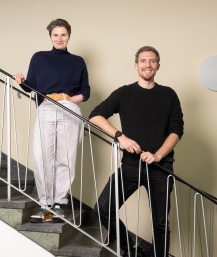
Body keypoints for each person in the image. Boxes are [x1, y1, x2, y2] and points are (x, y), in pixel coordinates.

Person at [88, 46, 184, 257]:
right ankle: (130, 248)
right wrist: (120, 137)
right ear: (136, 65)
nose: (147, 65)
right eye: (143, 61)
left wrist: (158, 155)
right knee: (103, 208)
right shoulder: (124, 93)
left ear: (158, 65)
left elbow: (177, 130)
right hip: (131, 166)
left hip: (161, 168)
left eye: (152, 61)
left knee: (160, 224)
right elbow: (95, 116)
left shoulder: (169, 94)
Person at [13, 18, 90, 223]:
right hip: (46, 107)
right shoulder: (39, 57)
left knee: (66, 158)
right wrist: (22, 81)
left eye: (63, 34)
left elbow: (86, 91)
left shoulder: (78, 61)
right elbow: (31, 86)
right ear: (50, 37)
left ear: (69, 36)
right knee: (41, 156)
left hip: (69, 108)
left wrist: (72, 99)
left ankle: (59, 203)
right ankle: (45, 204)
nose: (59, 38)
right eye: (55, 34)